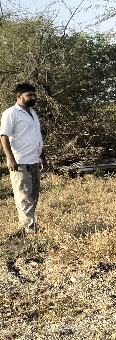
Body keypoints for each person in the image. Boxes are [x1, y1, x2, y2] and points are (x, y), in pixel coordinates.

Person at [1, 83, 44, 235]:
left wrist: (42, 157)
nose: (33, 97)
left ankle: (30, 226)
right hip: (20, 162)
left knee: (33, 196)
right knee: (24, 198)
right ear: (19, 97)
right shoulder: (11, 113)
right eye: (29, 95)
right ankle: (30, 232)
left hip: (34, 161)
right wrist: (10, 158)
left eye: (33, 94)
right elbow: (4, 136)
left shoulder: (32, 113)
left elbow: (37, 137)